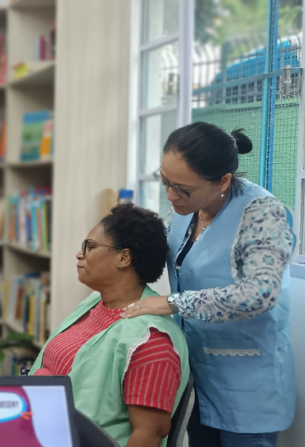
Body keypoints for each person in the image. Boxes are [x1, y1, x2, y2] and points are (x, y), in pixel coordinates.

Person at [121, 123, 295, 447]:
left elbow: (261, 293)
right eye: (166, 183)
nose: (172, 196)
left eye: (183, 189)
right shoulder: (188, 208)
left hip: (247, 384)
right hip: (197, 372)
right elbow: (165, 252)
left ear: (223, 181)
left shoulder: (262, 213)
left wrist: (174, 303)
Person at [31, 204, 190, 447]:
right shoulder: (96, 303)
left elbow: (149, 434)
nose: (79, 254)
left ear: (124, 258)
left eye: (90, 247)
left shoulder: (152, 342)